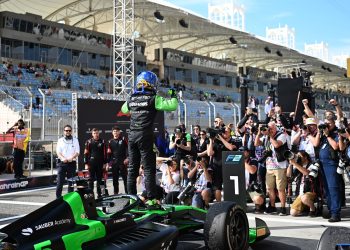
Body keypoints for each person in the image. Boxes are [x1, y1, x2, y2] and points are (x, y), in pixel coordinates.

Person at [121, 71, 178, 207]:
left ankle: (131, 199)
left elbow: (124, 110)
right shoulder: (154, 98)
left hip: (132, 135)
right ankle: (151, 199)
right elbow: (173, 105)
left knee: (132, 169)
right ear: (152, 84)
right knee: (149, 168)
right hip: (145, 136)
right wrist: (173, 94)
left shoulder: (131, 98)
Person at [315, 117, 341, 222]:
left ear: (334, 124)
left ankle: (336, 213)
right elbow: (315, 144)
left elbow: (336, 147)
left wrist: (328, 135)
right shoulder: (323, 136)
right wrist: (318, 131)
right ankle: (331, 210)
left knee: (333, 188)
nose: (327, 126)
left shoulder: (335, 134)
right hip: (322, 164)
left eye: (329, 124)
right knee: (327, 189)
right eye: (325, 123)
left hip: (331, 164)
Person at [264, 122, 289, 216]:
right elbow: (256, 143)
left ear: (275, 128)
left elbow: (277, 145)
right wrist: (259, 133)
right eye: (268, 128)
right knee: (269, 188)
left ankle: (283, 207)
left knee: (280, 188)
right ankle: (272, 206)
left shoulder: (281, 135)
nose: (270, 130)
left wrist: (270, 136)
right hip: (269, 166)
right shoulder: (266, 136)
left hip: (280, 166)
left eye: (271, 128)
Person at [207, 126, 238, 202]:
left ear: (230, 133)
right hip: (217, 167)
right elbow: (209, 153)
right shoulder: (217, 142)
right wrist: (211, 140)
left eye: (226, 131)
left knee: (230, 187)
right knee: (217, 187)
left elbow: (231, 148)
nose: (224, 133)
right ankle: (219, 204)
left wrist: (220, 137)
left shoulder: (234, 140)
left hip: (230, 168)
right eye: (223, 132)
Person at [288, 151, 322, 217]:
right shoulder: (298, 165)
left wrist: (295, 164)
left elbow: (307, 173)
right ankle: (305, 207)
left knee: (304, 198)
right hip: (301, 193)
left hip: (311, 191)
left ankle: (313, 209)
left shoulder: (312, 164)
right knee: (293, 213)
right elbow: (288, 175)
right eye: (297, 156)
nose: (298, 158)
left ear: (305, 157)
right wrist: (290, 164)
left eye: (299, 156)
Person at [55, 125, 80, 198]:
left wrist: (71, 158)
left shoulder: (75, 140)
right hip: (62, 164)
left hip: (71, 163)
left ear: (71, 131)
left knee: (71, 183)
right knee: (60, 182)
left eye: (69, 130)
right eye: (66, 130)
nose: (68, 132)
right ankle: (58, 198)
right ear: (64, 131)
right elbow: (58, 152)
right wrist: (63, 158)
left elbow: (77, 152)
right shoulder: (60, 140)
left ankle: (69, 198)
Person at [84, 128, 108, 198]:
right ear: (92, 134)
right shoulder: (88, 142)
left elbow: (105, 153)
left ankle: (100, 195)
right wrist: (86, 163)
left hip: (100, 164)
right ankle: (90, 196)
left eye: (97, 133)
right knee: (90, 180)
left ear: (99, 133)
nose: (96, 135)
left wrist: (105, 163)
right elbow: (86, 153)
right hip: (91, 163)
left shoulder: (102, 141)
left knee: (100, 180)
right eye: (94, 133)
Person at [107, 126, 128, 194]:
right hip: (114, 163)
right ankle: (116, 193)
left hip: (123, 162)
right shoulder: (110, 141)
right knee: (115, 179)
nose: (115, 132)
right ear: (112, 133)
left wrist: (127, 158)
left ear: (119, 132)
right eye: (114, 131)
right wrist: (108, 163)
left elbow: (129, 149)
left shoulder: (123, 139)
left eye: (117, 131)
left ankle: (128, 193)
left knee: (125, 179)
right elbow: (109, 153)